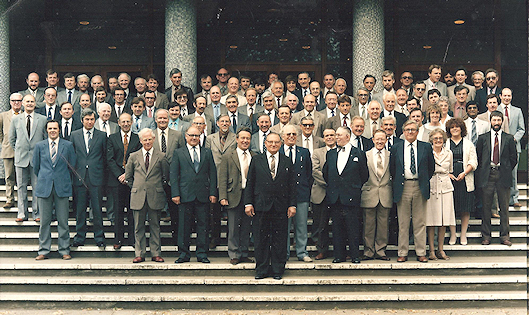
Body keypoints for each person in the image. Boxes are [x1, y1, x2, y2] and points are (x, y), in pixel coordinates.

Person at [244, 132, 296, 280]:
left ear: (280, 144)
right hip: (261, 206)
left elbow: (292, 185)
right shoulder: (256, 160)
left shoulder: (287, 161)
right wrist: (248, 203)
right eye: (270, 142)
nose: (273, 145)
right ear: (265, 143)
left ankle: (278, 270)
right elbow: (250, 183)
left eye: (276, 142)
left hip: (281, 206)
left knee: (279, 240)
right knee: (261, 239)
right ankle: (261, 269)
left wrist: (292, 205)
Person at [171, 126, 218, 263]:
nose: (193, 138)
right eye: (191, 135)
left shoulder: (207, 152)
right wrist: (175, 193)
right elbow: (174, 175)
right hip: (185, 195)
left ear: (200, 136)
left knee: (203, 226)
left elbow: (213, 174)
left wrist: (213, 192)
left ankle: (202, 253)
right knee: (184, 226)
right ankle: (184, 254)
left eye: (196, 135)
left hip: (203, 195)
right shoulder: (179, 153)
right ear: (186, 136)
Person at [390, 120, 435, 263]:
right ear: (403, 132)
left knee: (419, 222)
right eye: (407, 129)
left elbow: (431, 168)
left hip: (419, 186)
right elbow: (393, 168)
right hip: (403, 187)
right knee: (403, 222)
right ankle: (402, 252)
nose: (410, 132)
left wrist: (422, 181)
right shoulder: (396, 147)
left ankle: (421, 252)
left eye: (413, 130)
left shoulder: (425, 147)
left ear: (417, 132)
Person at [323, 126, 368, 264]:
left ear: (348, 137)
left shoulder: (358, 153)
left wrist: (353, 188)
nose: (336, 137)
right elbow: (326, 173)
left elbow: (364, 175)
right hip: (335, 197)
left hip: (351, 196)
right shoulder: (330, 154)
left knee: (353, 227)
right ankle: (339, 256)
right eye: (336, 135)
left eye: (339, 135)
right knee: (337, 228)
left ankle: (355, 255)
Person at [33, 120, 76, 260]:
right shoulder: (39, 146)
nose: (52, 130)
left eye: (55, 128)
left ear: (59, 130)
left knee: (63, 221)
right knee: (44, 221)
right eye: (50, 128)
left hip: (62, 187)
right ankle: (43, 250)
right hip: (44, 187)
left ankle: (64, 250)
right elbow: (36, 167)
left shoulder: (67, 145)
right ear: (46, 130)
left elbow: (72, 165)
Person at [125, 128, 169, 263]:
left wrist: (155, 188)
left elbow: (165, 176)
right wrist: (138, 188)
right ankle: (140, 253)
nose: (148, 142)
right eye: (145, 139)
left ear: (154, 139)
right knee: (138, 226)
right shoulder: (133, 156)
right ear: (140, 141)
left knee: (155, 225)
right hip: (138, 196)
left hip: (155, 195)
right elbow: (129, 177)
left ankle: (156, 253)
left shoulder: (161, 156)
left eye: (150, 139)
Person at [476, 111, 517, 246]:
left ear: (502, 121)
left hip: (502, 175)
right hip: (487, 175)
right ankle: (486, 236)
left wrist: (505, 169)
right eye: (494, 120)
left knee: (504, 208)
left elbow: (514, 159)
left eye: (499, 120)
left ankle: (505, 236)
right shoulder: (482, 138)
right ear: (490, 121)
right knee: (486, 207)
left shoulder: (509, 138)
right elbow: (479, 157)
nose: (497, 123)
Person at [70, 108, 107, 248]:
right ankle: (80, 237)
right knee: (80, 210)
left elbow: (104, 158)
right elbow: (72, 156)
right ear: (82, 120)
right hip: (80, 178)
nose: (90, 122)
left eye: (92, 119)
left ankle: (99, 237)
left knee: (97, 210)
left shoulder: (102, 135)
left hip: (96, 178)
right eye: (87, 119)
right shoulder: (74, 135)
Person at [218, 127, 255, 265]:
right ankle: (234, 253)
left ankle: (244, 253)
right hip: (233, 194)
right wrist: (223, 196)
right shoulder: (228, 156)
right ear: (237, 139)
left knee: (246, 226)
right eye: (243, 138)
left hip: (249, 196)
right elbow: (222, 177)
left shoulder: (254, 156)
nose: (245, 141)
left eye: (248, 139)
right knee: (233, 227)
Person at [9, 94, 47, 222]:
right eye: (27, 101)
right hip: (21, 158)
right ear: (23, 103)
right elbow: (12, 139)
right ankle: (22, 213)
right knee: (21, 187)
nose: (30, 103)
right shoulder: (16, 119)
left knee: (37, 187)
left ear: (35, 103)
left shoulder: (43, 119)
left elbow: (45, 139)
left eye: (32, 101)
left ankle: (37, 214)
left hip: (37, 158)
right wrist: (20, 151)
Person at [107, 113, 142, 249]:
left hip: (132, 180)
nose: (126, 124)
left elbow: (138, 159)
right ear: (119, 123)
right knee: (118, 211)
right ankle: (118, 239)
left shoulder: (137, 138)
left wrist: (127, 175)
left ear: (132, 122)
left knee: (132, 211)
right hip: (116, 181)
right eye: (123, 122)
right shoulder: (112, 138)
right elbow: (109, 159)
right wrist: (120, 175)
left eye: (128, 121)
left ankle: (132, 239)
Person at [280, 125, 313, 262]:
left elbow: (309, 174)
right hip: (282, 196)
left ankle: (302, 252)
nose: (291, 136)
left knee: (301, 225)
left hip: (301, 194)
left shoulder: (304, 152)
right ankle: (284, 253)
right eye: (288, 134)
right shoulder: (278, 151)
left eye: (294, 134)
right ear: (282, 136)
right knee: (283, 227)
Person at [205, 114, 237, 249]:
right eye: (222, 121)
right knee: (214, 212)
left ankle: (231, 239)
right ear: (217, 123)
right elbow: (207, 158)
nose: (224, 123)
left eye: (227, 121)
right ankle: (215, 238)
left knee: (231, 212)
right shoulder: (210, 138)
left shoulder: (236, 138)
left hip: (230, 179)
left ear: (230, 123)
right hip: (215, 178)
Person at [361, 129, 392, 261]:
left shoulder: (391, 155)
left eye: (382, 139)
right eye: (377, 139)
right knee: (368, 225)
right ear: (373, 140)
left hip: (385, 193)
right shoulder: (365, 155)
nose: (379, 141)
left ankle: (380, 250)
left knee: (383, 224)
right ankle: (368, 251)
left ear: (386, 140)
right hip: (369, 193)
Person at [446, 118, 477, 246]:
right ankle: (453, 234)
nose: (454, 129)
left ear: (461, 129)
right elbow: (439, 160)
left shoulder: (469, 144)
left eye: (457, 127)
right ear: (449, 129)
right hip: (449, 178)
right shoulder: (444, 143)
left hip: (465, 178)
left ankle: (463, 234)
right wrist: (447, 173)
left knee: (465, 208)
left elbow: (473, 161)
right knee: (450, 208)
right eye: (452, 127)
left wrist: (464, 173)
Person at [426, 129, 455, 260]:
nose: (438, 140)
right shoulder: (427, 152)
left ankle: (441, 250)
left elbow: (450, 170)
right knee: (431, 220)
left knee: (444, 220)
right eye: (435, 138)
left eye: (440, 138)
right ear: (431, 139)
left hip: (446, 186)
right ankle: (431, 250)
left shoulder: (449, 153)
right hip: (432, 185)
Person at [310, 128, 336, 260]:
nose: (330, 137)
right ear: (323, 138)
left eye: (332, 135)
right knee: (321, 225)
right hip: (321, 192)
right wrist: (332, 182)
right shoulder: (317, 152)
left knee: (339, 224)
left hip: (337, 194)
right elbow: (315, 171)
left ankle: (340, 250)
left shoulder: (341, 151)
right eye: (327, 135)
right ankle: (321, 250)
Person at [498, 88, 525, 207]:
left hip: (514, 147)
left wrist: (513, 139)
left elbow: (521, 129)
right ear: (500, 96)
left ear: (511, 96)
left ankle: (514, 199)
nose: (507, 98)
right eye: (504, 95)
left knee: (513, 174)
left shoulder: (517, 111)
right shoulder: (496, 109)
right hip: (498, 147)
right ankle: (499, 201)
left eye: (509, 95)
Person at [0, 93, 23, 209]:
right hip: (8, 150)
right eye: (14, 101)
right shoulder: (3, 116)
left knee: (22, 177)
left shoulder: (25, 115)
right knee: (9, 176)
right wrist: (4, 142)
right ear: (10, 102)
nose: (16, 103)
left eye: (18, 101)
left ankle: (21, 200)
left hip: (22, 151)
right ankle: (9, 199)